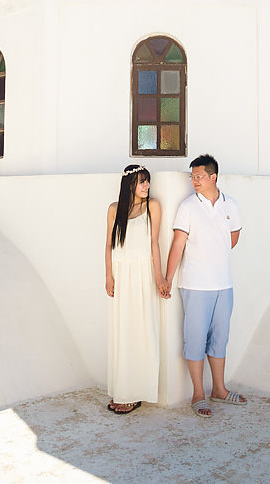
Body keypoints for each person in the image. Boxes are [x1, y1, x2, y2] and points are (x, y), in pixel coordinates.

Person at [164, 153, 246, 419]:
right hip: (195, 284)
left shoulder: (230, 205)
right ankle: (198, 394)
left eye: (199, 176)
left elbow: (232, 238)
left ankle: (219, 389)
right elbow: (178, 243)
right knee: (195, 339)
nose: (194, 181)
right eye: (192, 177)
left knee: (220, 338)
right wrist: (167, 277)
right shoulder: (188, 206)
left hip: (224, 284)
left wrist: (214, 256)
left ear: (213, 177)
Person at [104, 164, 169, 414]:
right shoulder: (114, 209)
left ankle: (136, 392)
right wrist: (109, 275)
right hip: (121, 273)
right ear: (130, 183)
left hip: (142, 274)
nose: (146, 186)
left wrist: (159, 277)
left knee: (142, 330)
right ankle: (123, 389)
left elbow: (154, 242)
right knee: (122, 330)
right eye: (142, 182)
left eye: (147, 181)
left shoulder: (152, 206)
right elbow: (109, 244)